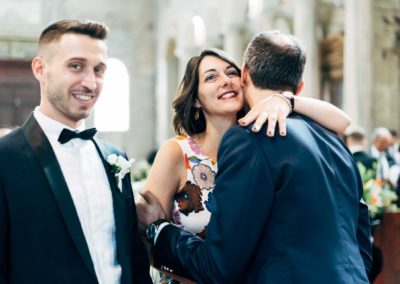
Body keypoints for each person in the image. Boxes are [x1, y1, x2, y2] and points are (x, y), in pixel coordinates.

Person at [141, 31, 372, 283]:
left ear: (244, 76)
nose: (225, 81)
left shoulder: (250, 140)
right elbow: (361, 242)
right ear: (195, 97)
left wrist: (162, 232)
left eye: (231, 73)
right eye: (210, 77)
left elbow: (222, 263)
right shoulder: (333, 139)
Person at [0, 19, 151, 284]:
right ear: (40, 68)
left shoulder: (114, 159)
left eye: (99, 70)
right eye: (76, 66)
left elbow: (133, 258)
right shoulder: (5, 158)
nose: (91, 83)